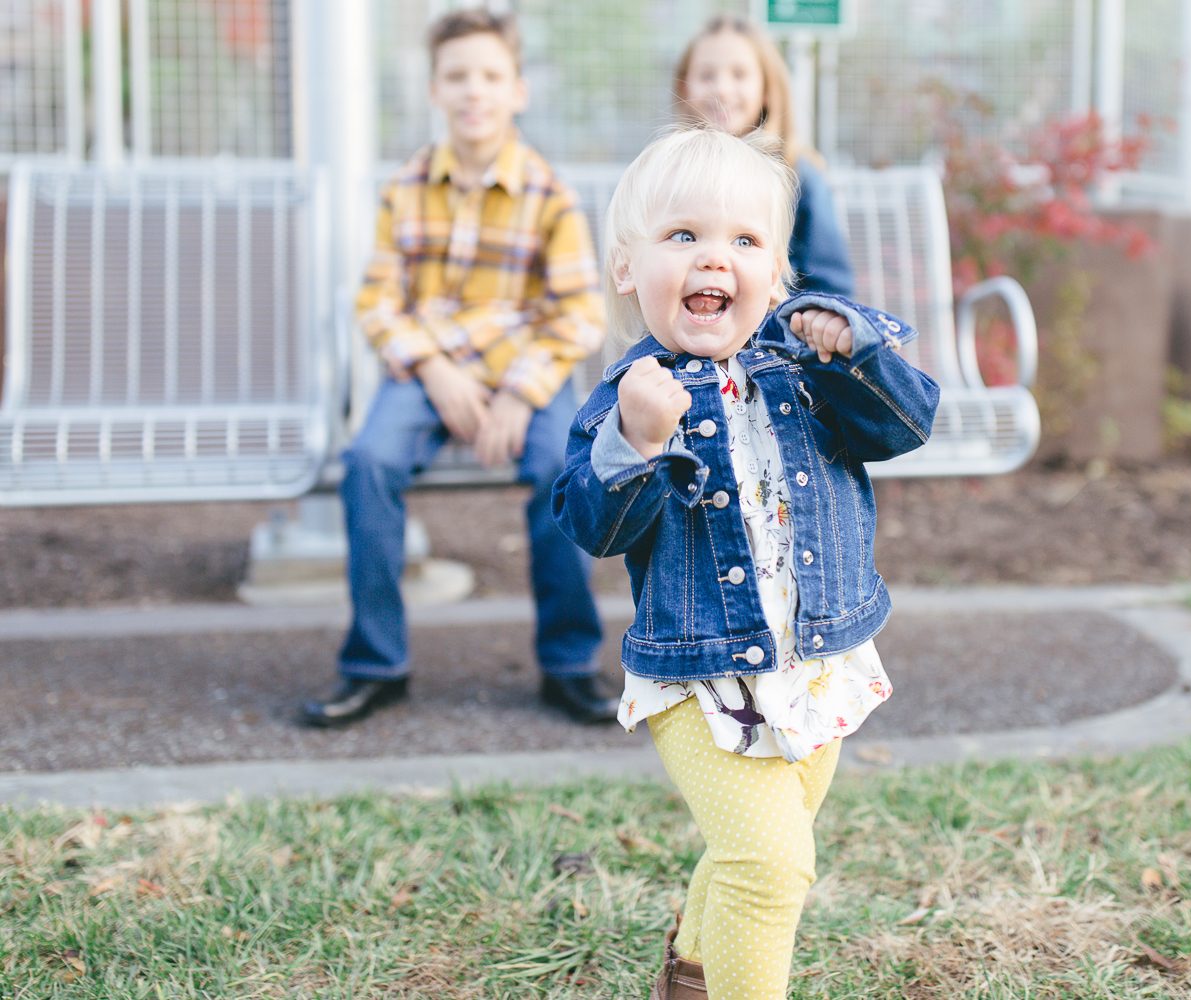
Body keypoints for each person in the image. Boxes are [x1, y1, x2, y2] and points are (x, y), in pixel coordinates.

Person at [552, 126, 939, 1000]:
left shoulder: (812, 366)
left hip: (816, 658)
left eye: (744, 240)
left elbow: (906, 426)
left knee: (753, 852)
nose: (713, 259)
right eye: (683, 237)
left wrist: (860, 356)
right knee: (770, 869)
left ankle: (689, 972)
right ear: (628, 269)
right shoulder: (629, 400)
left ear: (777, 277)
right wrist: (635, 444)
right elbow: (592, 527)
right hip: (701, 676)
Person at [301, 8, 614, 727]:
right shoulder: (406, 187)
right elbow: (378, 301)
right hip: (427, 369)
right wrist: (435, 369)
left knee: (566, 471)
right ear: (435, 90)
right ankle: (376, 663)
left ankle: (568, 663)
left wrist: (519, 392)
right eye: (457, 77)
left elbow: (577, 314)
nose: (475, 91)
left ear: (518, 90)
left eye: (490, 76)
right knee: (369, 464)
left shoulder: (547, 193)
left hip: (522, 373)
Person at [674, 15, 856, 297]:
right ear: (685, 86)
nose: (721, 89)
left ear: (767, 90)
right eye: (707, 75)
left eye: (739, 74)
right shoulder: (671, 174)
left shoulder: (800, 176)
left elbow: (830, 287)